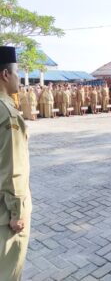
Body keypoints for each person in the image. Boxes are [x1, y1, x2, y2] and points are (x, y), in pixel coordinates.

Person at [0, 46, 32, 281]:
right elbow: (13, 168)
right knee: (9, 272)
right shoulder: (7, 114)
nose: (19, 78)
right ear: (5, 75)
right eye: (17, 72)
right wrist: (17, 212)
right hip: (5, 212)